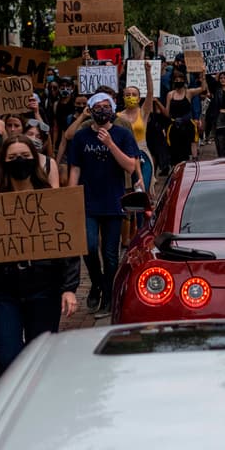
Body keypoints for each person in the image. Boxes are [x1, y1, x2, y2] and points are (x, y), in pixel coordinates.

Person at [0, 137, 79, 377]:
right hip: (5, 289)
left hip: (44, 287)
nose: (19, 162)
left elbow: (69, 246)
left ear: (34, 159)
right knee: (5, 358)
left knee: (40, 357)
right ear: (4, 163)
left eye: (25, 156)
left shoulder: (50, 198)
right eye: (12, 158)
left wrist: (69, 287)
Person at [68, 92, 140, 314]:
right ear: (90, 110)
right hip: (88, 201)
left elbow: (130, 166)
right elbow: (75, 170)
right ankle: (97, 283)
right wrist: (71, 198)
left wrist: (110, 144)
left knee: (110, 255)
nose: (102, 110)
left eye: (105, 106)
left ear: (112, 109)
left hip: (113, 200)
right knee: (88, 247)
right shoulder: (81, 137)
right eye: (97, 107)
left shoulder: (122, 134)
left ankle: (108, 296)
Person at [115, 65, 157, 192]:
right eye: (127, 94)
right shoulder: (117, 117)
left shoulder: (143, 112)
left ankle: (144, 212)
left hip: (142, 152)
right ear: (123, 98)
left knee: (143, 187)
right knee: (129, 192)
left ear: (139, 98)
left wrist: (148, 72)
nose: (130, 97)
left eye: (134, 94)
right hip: (125, 155)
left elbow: (150, 93)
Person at [156, 69, 205, 167]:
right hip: (175, 127)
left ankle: (193, 165)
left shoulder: (189, 92)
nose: (178, 81)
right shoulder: (170, 95)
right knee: (175, 153)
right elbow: (167, 113)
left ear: (184, 80)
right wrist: (157, 102)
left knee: (191, 146)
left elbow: (203, 88)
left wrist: (203, 75)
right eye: (176, 80)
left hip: (188, 126)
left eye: (180, 79)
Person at [23, 118, 59, 188]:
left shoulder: (50, 162)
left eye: (38, 136)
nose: (33, 138)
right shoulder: (15, 159)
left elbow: (55, 191)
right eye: (30, 134)